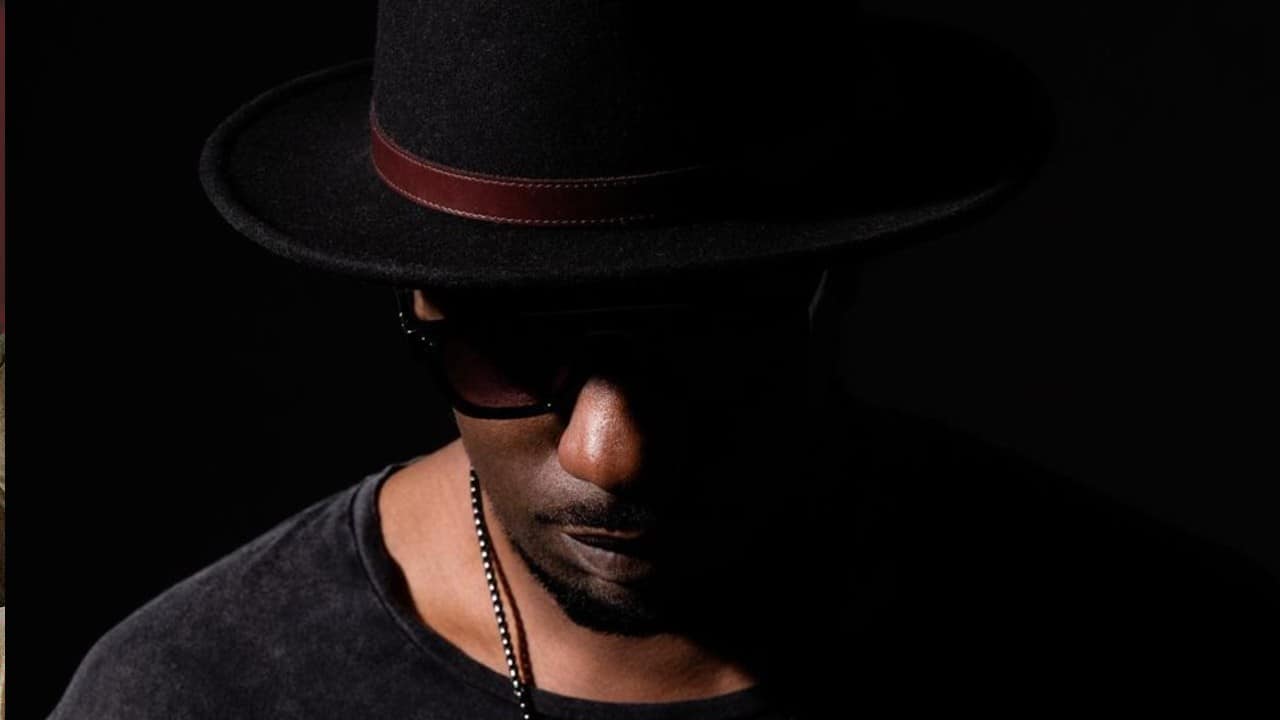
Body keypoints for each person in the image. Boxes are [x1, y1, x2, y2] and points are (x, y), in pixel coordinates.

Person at [50, 2, 1278, 717]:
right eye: (510, 344)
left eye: (697, 335)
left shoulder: (1163, 652)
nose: (611, 449)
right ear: (417, 302)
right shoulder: (194, 698)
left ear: (825, 287)